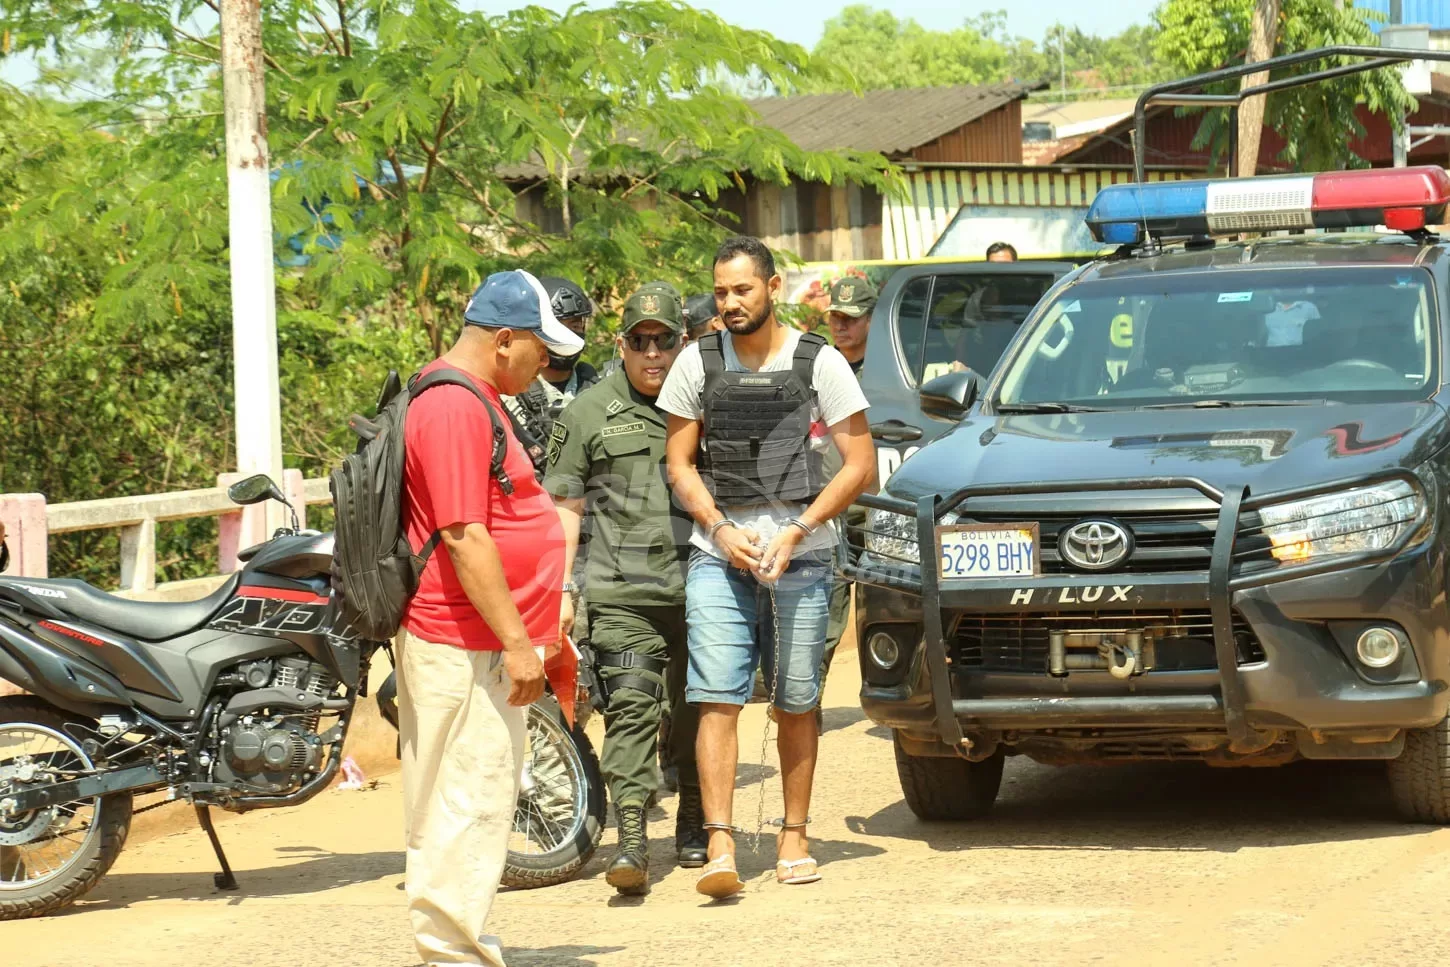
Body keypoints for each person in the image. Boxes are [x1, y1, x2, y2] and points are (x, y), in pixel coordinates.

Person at [660, 236, 875, 898]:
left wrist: (799, 530)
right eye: (720, 292)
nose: (729, 303)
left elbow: (860, 464)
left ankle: (795, 834)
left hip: (803, 559)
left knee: (797, 700)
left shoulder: (821, 361)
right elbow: (679, 465)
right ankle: (721, 840)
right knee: (715, 695)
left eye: (742, 290)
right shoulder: (695, 363)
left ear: (773, 287)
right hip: (718, 557)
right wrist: (720, 530)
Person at [397, 268, 582, 967]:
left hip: (475, 638)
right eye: (541, 349)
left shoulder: (480, 396)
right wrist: (516, 642)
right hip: (462, 638)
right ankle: (454, 954)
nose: (548, 365)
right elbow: (462, 534)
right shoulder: (452, 406)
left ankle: (459, 946)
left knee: (474, 796)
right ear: (503, 340)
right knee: (462, 801)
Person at [545, 281, 704, 896]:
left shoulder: (702, 403)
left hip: (702, 588)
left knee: (698, 713)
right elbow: (564, 505)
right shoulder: (586, 412)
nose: (652, 353)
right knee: (633, 709)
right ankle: (632, 836)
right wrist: (562, 589)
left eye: (663, 340)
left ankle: (694, 817)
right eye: (640, 342)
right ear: (621, 344)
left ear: (681, 340)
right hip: (621, 594)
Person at [503, 276, 599, 473]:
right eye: (559, 326)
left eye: (575, 326)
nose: (569, 335)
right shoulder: (510, 393)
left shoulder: (598, 389)